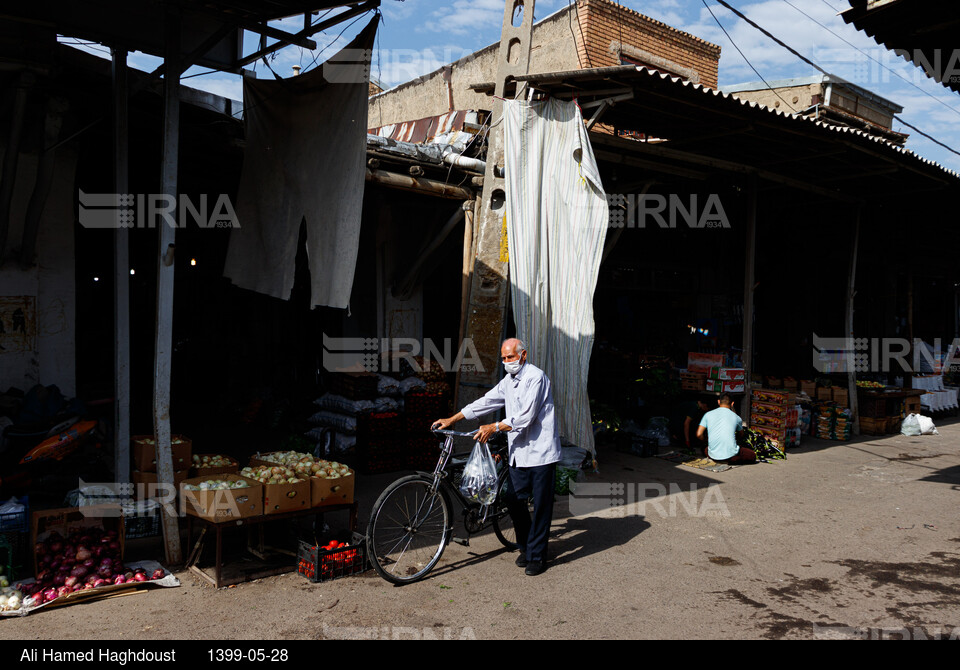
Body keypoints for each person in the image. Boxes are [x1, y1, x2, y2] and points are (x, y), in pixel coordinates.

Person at [432, 337, 560, 576]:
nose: (506, 362)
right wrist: (453, 418)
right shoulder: (509, 381)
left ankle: (537, 556)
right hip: (519, 452)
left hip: (541, 452)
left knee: (541, 507)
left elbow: (526, 417)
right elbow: (486, 401)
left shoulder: (536, 377)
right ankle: (526, 546)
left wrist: (495, 427)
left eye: (510, 357)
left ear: (523, 355)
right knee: (513, 499)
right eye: (503, 358)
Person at [695, 393, 756, 464]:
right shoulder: (737, 417)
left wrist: (707, 440)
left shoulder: (707, 414)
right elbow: (741, 435)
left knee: (704, 449)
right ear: (732, 403)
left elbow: (699, 434)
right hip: (731, 456)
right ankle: (730, 459)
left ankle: (717, 457)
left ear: (718, 402)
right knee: (752, 455)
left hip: (713, 455)